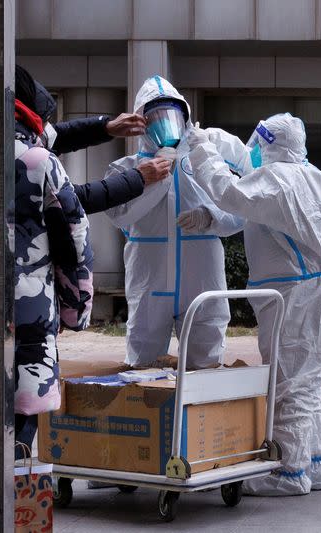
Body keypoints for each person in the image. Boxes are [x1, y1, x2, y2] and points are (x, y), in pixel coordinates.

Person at [184, 113, 321, 495]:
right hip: (317, 294)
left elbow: (231, 193)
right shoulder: (310, 176)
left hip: (293, 298)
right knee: (308, 384)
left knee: (287, 384)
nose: (250, 150)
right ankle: (313, 464)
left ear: (267, 143)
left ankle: (288, 473)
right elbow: (252, 214)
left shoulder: (278, 180)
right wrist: (209, 219)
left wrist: (201, 148)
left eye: (255, 143)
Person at [103, 75, 252, 369]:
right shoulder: (127, 170)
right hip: (149, 283)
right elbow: (119, 214)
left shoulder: (204, 160)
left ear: (185, 117)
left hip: (201, 281)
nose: (164, 123)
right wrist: (154, 179)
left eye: (170, 115)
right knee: (142, 371)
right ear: (142, 122)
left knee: (206, 370)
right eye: (155, 116)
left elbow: (243, 209)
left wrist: (211, 219)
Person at [12, 68, 94, 458]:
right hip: (28, 306)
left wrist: (105, 127)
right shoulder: (39, 160)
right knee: (24, 406)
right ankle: (15, 480)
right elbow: (74, 237)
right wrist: (76, 304)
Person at [15, 65, 171, 214]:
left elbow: (56, 136)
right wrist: (138, 178)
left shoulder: (15, 137)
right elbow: (72, 199)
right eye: (44, 122)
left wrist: (104, 127)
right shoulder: (29, 158)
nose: (48, 129)